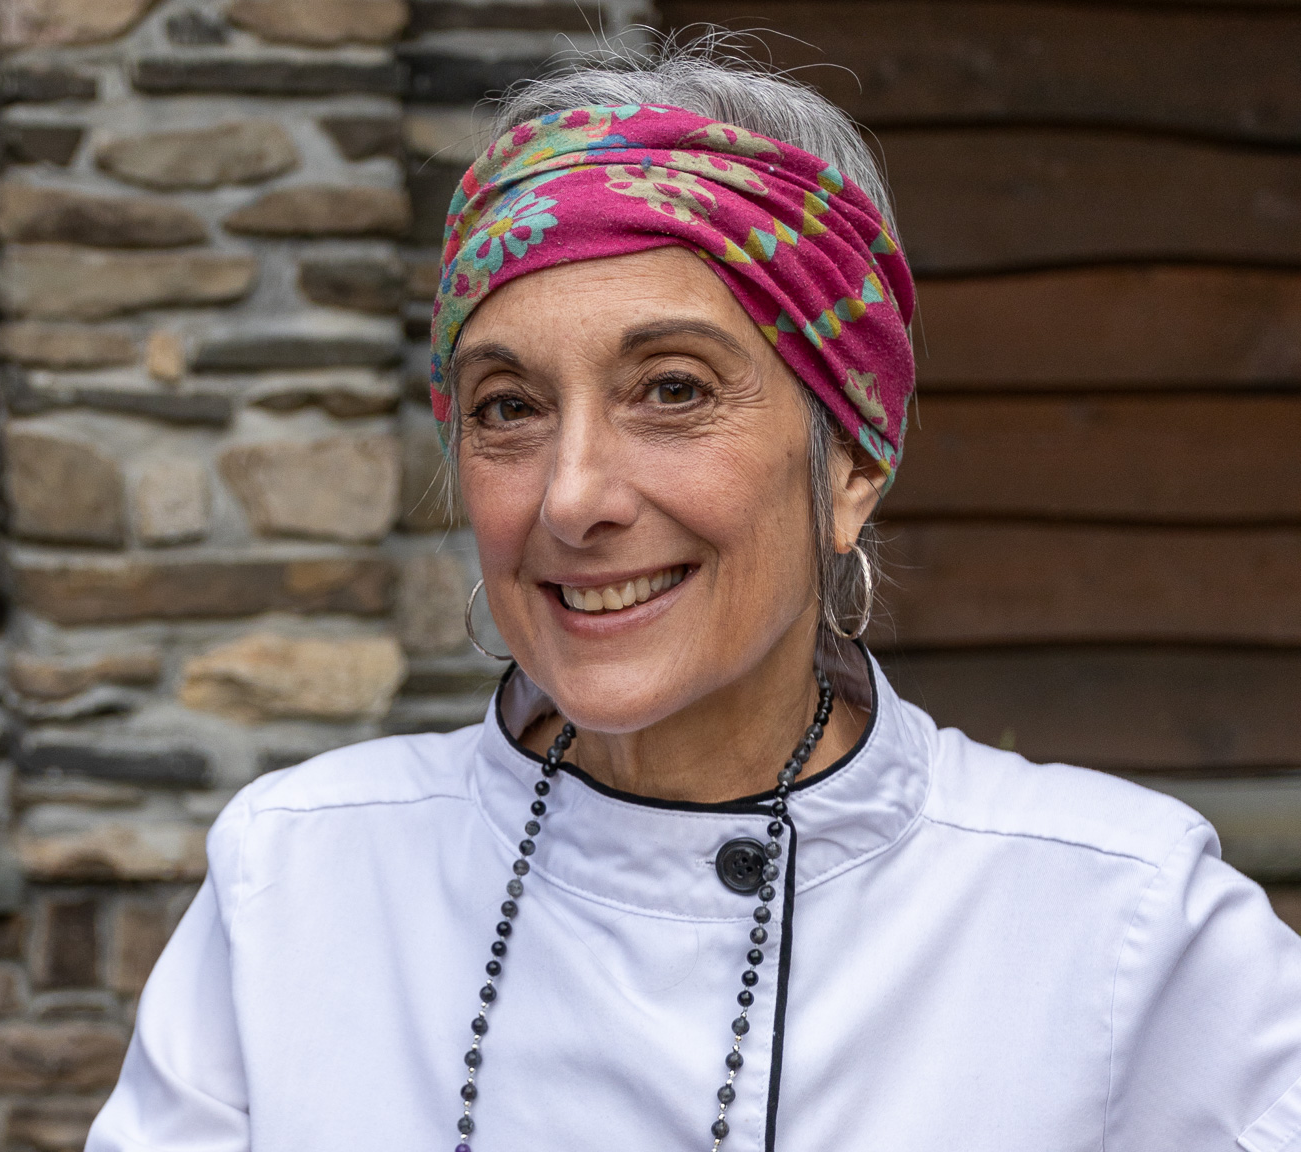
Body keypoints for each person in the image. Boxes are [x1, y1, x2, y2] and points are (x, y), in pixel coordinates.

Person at [85, 42, 1301, 1151]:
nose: (571, 499)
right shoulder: (298, 878)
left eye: (670, 390)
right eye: (507, 408)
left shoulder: (1121, 922)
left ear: (851, 466)